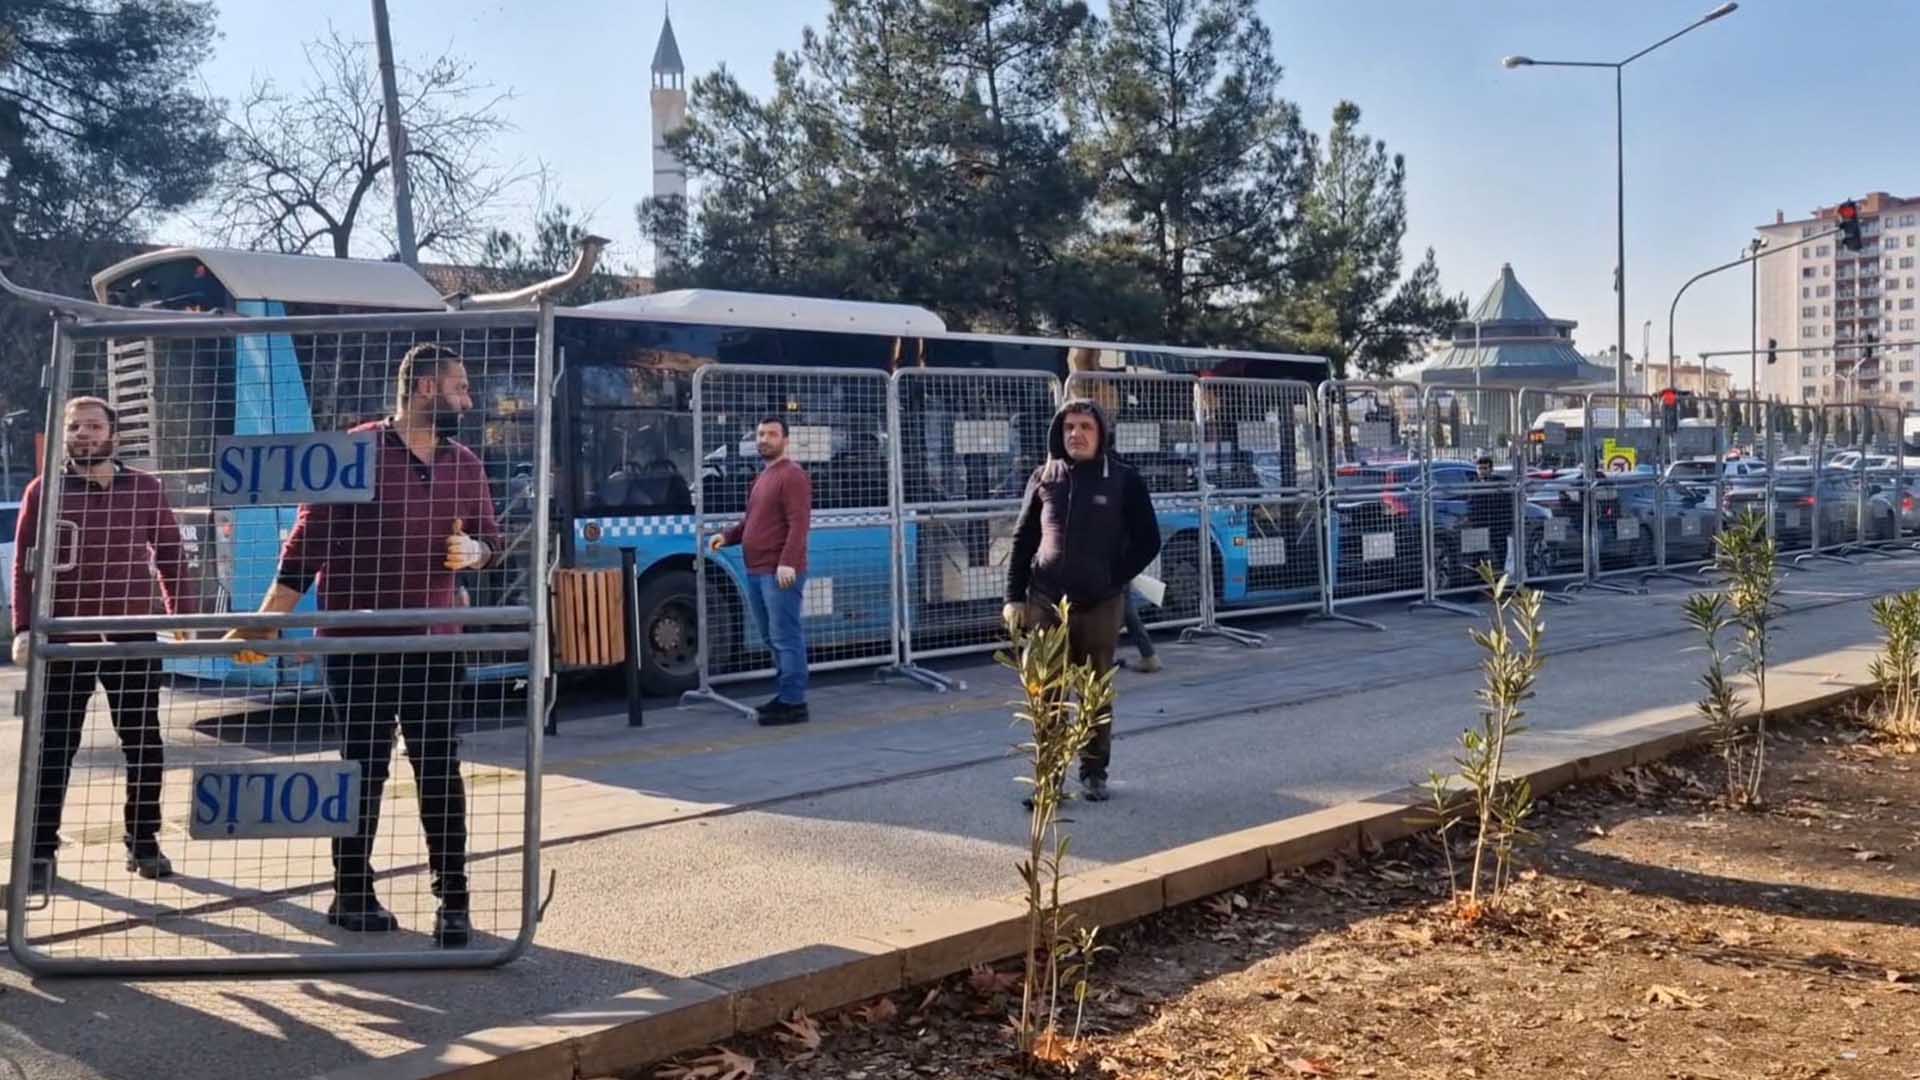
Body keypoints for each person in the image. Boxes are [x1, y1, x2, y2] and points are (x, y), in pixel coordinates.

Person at [226, 343, 502, 948]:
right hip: (360, 646)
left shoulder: (466, 464)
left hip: (435, 646)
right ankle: (351, 891)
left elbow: (492, 539)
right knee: (362, 768)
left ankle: (452, 898)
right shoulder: (354, 452)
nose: (469, 400)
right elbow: (304, 548)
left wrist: (477, 553)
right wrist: (266, 621)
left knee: (439, 769)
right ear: (425, 388)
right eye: (460, 388)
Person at [10, 397, 198, 891]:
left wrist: (182, 615)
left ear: (113, 434)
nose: (84, 434)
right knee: (54, 748)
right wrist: (25, 627)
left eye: (94, 426)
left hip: (132, 636)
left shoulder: (145, 488)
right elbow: (23, 566)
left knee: (143, 744)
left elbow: (172, 555)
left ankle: (143, 842)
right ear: (65, 434)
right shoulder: (44, 491)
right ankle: (41, 853)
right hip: (64, 639)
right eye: (75, 427)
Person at [1003, 398, 1162, 802]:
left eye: (1085, 427)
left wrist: (1114, 577)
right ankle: (1048, 780)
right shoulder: (1045, 476)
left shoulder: (1124, 479)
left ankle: (1094, 771)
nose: (1076, 434)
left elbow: (1149, 540)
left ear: (1101, 434)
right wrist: (1013, 597)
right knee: (1047, 693)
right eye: (1069, 427)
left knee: (1094, 692)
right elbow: (1023, 540)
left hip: (1099, 604)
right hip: (1045, 601)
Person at [710, 416, 813, 726]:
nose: (764, 439)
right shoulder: (763, 477)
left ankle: (794, 703)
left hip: (776, 571)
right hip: (757, 570)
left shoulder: (792, 475)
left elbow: (799, 523)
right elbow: (752, 521)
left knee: (785, 636)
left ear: (786, 440)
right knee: (772, 637)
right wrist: (728, 536)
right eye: (760, 434)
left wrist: (788, 563)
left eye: (772, 434)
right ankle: (785, 696)